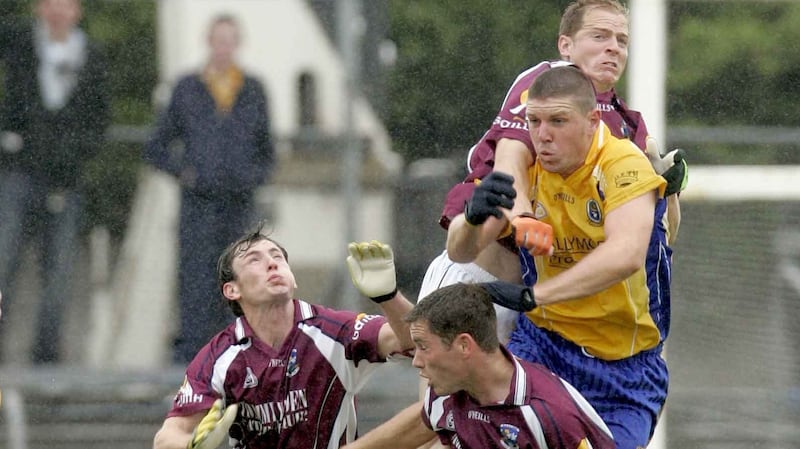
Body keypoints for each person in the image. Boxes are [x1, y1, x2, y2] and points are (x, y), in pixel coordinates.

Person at [420, 0, 685, 343]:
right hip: (480, 280)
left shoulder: (625, 124)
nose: (612, 47)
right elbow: (510, 160)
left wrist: (671, 192)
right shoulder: (545, 84)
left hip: (544, 308)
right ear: (566, 45)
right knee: (443, 397)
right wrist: (523, 217)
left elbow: (654, 236)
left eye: (621, 40)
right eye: (599, 35)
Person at [448, 65, 669, 449]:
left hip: (625, 368)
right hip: (543, 345)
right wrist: (469, 218)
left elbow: (626, 255)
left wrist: (536, 296)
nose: (543, 135)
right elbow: (460, 251)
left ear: (592, 120)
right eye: (533, 121)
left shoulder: (623, 164)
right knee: (474, 433)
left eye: (558, 121)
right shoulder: (528, 170)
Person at [152, 226, 417, 449]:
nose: (271, 263)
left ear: (293, 280)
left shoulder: (335, 330)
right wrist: (190, 444)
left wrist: (389, 297)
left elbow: (414, 341)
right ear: (232, 290)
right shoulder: (220, 356)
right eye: (254, 260)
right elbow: (167, 437)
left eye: (277, 257)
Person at [340, 282, 615, 449]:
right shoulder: (452, 390)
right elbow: (416, 427)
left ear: (463, 346)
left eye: (424, 347)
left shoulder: (547, 416)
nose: (416, 361)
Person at [144, 14, 275, 364]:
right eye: (218, 40)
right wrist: (187, 174)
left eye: (229, 40)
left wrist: (250, 176)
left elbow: (267, 150)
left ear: (237, 44)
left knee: (240, 277)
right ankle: (195, 359)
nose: (223, 48)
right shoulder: (187, 87)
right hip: (198, 204)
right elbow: (156, 146)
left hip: (238, 203)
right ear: (208, 42)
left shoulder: (252, 90)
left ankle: (238, 356)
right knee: (197, 280)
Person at [0, 0, 110, 364]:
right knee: (4, 264)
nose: (58, 12)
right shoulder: (20, 43)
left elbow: (99, 117)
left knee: (58, 275)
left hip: (66, 181)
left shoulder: (92, 55)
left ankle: (46, 363)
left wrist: (76, 155)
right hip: (18, 173)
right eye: (50, 4)